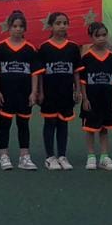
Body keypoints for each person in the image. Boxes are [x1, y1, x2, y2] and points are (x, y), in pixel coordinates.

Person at [0, 10, 39, 171]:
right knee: (4, 124)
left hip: (24, 93)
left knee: (23, 124)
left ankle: (24, 157)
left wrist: (34, 92)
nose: (18, 29)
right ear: (9, 27)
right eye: (14, 26)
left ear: (25, 28)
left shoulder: (30, 49)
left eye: (21, 26)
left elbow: (35, 72)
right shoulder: (0, 48)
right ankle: (3, 156)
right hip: (6, 93)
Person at [36, 12, 81, 170]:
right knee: (50, 122)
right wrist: (40, 92)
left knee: (63, 123)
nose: (62, 26)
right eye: (58, 23)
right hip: (49, 92)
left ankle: (62, 155)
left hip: (66, 92)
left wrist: (78, 90)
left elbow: (76, 71)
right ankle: (50, 157)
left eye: (64, 23)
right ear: (51, 26)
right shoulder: (44, 47)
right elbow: (40, 73)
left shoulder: (73, 47)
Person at [79, 22, 112, 171]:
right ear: (91, 37)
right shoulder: (86, 57)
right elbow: (83, 81)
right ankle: (91, 156)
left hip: (107, 99)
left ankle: (104, 157)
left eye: (104, 35)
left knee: (104, 128)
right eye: (98, 36)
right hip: (92, 99)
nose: (102, 38)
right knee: (90, 128)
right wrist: (85, 98)